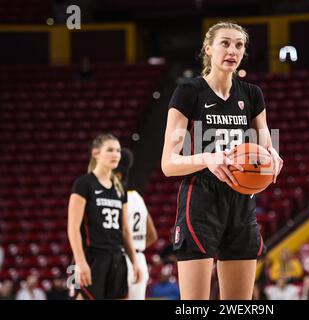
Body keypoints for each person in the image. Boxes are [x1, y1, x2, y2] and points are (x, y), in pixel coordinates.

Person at [161, 21, 283, 300]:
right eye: (225, 43)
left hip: (241, 200)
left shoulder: (252, 94)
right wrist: (208, 158)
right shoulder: (189, 92)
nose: (233, 50)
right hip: (201, 199)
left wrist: (272, 155)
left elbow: (265, 143)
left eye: (239, 45)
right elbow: (168, 163)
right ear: (208, 48)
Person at [67, 133, 141, 300]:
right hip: (90, 258)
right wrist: (80, 261)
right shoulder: (84, 183)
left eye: (117, 150)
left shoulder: (119, 188)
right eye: (109, 150)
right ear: (96, 153)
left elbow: (125, 230)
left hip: (117, 258)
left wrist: (134, 260)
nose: (115, 154)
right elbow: (72, 228)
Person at [114, 148, 158, 300]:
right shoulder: (137, 197)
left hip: (121, 258)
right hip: (140, 259)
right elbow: (153, 235)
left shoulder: (115, 198)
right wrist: (137, 247)